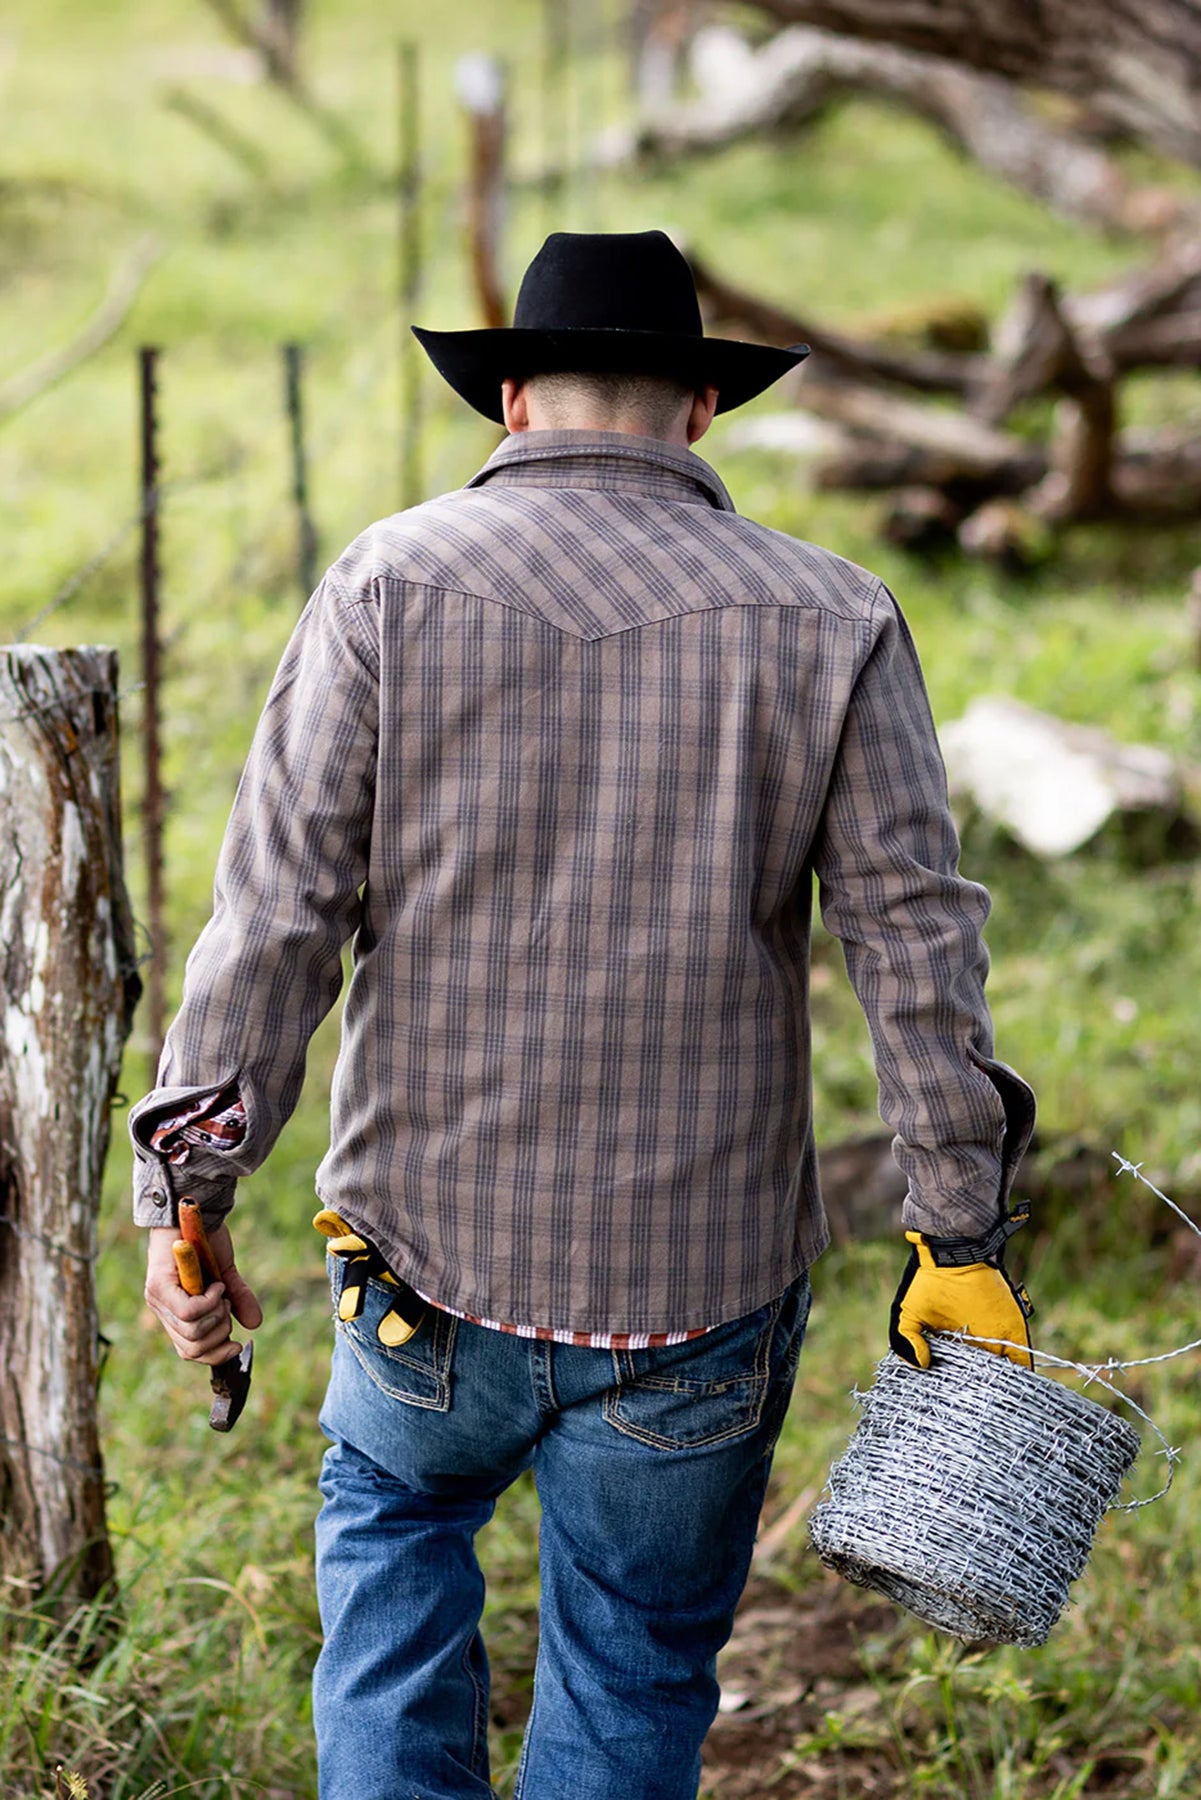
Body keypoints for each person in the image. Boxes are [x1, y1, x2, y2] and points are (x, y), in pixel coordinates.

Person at [133, 230, 1036, 1800]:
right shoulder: (834, 618)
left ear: (506, 397)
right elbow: (914, 950)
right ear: (700, 409)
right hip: (695, 1298)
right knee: (629, 1662)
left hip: (422, 1277)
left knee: (394, 1596)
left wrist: (187, 1195)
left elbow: (273, 923)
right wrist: (958, 1234)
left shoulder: (384, 586)